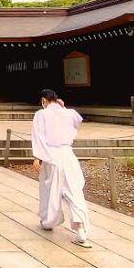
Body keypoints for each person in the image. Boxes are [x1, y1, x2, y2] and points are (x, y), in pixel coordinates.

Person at [31, 88, 91, 248]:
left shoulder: (41, 115)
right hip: (68, 154)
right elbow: (77, 121)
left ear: (44, 100)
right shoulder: (69, 112)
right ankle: (81, 229)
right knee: (74, 190)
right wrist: (63, 109)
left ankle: (48, 221)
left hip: (51, 155)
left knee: (51, 189)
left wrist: (37, 157)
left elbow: (39, 136)